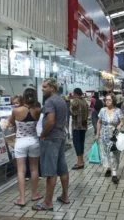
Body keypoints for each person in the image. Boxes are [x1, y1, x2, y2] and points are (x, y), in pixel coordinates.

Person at [33, 78, 69, 211]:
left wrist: (43, 134)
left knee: (50, 172)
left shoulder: (49, 101)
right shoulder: (61, 100)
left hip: (51, 139)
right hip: (60, 137)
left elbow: (51, 121)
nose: (42, 89)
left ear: (52, 88)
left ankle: (48, 203)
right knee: (62, 169)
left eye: (44, 87)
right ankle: (65, 196)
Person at [10, 87, 42, 207]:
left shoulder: (16, 111)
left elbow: (11, 123)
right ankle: (34, 195)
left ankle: (22, 199)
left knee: (21, 171)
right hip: (33, 140)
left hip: (20, 142)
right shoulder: (38, 110)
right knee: (34, 169)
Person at [95, 93, 124, 184]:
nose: (107, 101)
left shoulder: (118, 111)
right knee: (106, 152)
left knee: (113, 153)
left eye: (109, 100)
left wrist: (119, 126)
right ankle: (108, 168)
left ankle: (114, 173)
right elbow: (99, 122)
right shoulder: (102, 110)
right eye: (106, 100)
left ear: (113, 101)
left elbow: (121, 121)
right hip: (104, 135)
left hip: (114, 135)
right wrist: (97, 133)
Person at [70, 88, 88, 170]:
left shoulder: (75, 101)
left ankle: (79, 162)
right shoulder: (84, 101)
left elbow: (74, 113)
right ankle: (82, 160)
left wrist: (70, 108)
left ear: (75, 94)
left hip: (77, 126)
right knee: (81, 143)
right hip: (84, 126)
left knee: (76, 143)